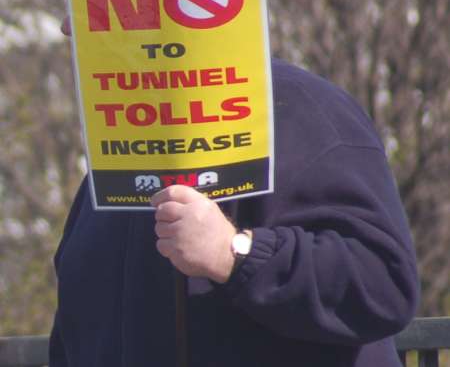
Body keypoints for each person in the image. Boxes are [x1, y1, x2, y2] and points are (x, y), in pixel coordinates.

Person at [50, 20, 419, 366]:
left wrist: (236, 254)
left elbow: (383, 287)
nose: (68, 27)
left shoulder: (298, 107)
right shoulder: (113, 162)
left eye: (89, 2)